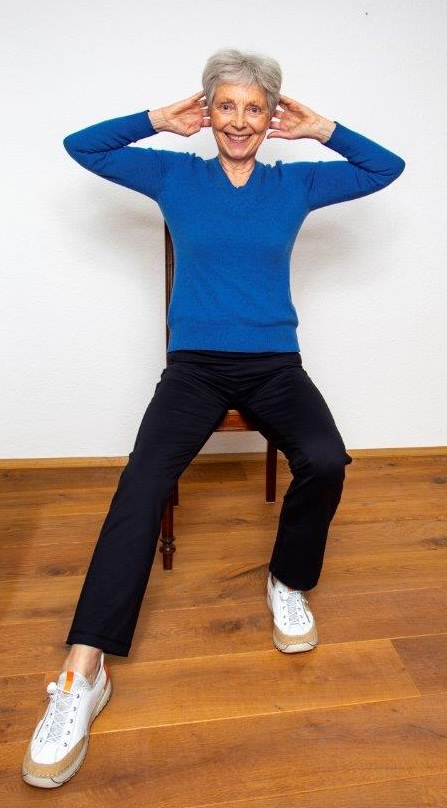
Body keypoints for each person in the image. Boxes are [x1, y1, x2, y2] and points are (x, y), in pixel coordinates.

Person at [22, 48, 405, 788]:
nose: (238, 120)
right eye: (225, 105)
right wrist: (156, 120)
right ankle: (82, 671)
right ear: (207, 111)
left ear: (271, 117)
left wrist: (322, 129)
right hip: (194, 368)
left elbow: (384, 168)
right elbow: (81, 147)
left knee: (326, 459)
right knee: (140, 483)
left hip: (275, 365)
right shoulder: (175, 174)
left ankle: (287, 580)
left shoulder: (295, 184)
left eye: (254, 108)